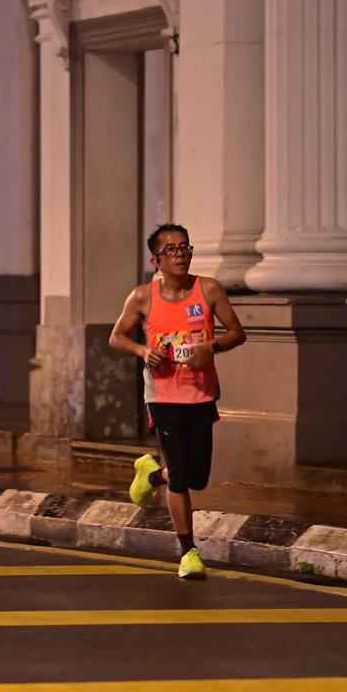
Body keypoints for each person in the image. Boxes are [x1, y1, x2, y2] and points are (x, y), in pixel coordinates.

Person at [109, 222, 246, 579]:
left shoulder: (208, 289)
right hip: (162, 395)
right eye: (170, 249)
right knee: (182, 474)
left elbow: (237, 333)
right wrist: (143, 351)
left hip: (201, 394)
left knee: (197, 477)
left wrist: (210, 347)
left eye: (184, 247)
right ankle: (188, 552)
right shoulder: (142, 297)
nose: (180, 254)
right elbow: (116, 337)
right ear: (156, 261)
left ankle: (153, 474)